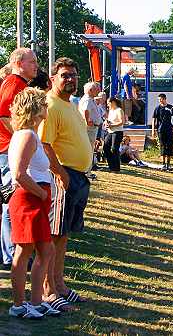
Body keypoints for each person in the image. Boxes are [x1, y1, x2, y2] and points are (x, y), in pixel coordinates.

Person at [39, 57, 93, 307]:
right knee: (53, 235)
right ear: (53, 79)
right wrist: (60, 173)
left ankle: (60, 284)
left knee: (64, 235)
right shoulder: (50, 106)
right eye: (64, 75)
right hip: (63, 177)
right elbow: (45, 144)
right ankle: (49, 290)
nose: (70, 79)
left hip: (79, 178)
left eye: (73, 75)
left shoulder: (69, 104)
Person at [8, 88, 60, 318]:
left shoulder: (30, 134)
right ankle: (19, 304)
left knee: (45, 249)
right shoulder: (27, 135)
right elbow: (19, 173)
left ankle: (36, 301)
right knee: (25, 250)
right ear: (34, 108)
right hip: (29, 198)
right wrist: (40, 193)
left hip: (35, 197)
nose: (46, 107)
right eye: (43, 103)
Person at [1, 48, 38, 271]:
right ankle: (10, 254)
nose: (36, 65)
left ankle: (11, 251)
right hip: (7, 149)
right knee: (11, 199)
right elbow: (4, 114)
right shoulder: (14, 83)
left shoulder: (18, 83)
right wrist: (20, 136)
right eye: (32, 61)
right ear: (18, 62)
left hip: (7, 148)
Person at [78, 82, 102, 176]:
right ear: (91, 90)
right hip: (90, 128)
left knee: (90, 149)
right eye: (97, 89)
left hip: (92, 127)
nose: (99, 91)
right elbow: (86, 111)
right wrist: (88, 121)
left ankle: (87, 170)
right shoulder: (87, 100)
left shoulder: (90, 99)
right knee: (88, 149)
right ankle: (86, 171)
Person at [151, 93, 173, 171]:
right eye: (159, 100)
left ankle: (168, 164)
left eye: (161, 99)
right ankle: (163, 164)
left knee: (169, 146)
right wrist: (153, 130)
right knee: (162, 146)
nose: (160, 101)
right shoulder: (157, 108)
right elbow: (153, 119)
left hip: (169, 129)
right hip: (160, 130)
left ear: (165, 99)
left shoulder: (170, 107)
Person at [104, 97, 125, 173]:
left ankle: (116, 168)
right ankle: (111, 166)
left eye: (108, 103)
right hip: (110, 132)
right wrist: (106, 123)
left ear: (113, 102)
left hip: (117, 132)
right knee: (106, 147)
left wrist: (112, 125)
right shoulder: (110, 111)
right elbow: (109, 120)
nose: (107, 105)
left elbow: (122, 122)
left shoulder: (119, 110)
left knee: (114, 149)